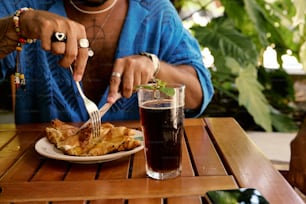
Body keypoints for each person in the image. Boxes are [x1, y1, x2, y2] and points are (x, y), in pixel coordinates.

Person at [0, 0, 214, 124]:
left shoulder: (157, 11)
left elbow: (197, 96)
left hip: (138, 178)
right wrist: (16, 27)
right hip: (39, 181)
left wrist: (155, 68)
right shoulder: (21, 6)